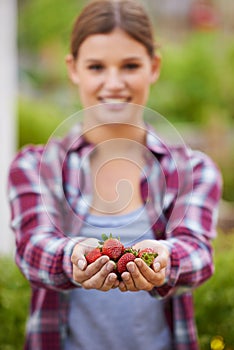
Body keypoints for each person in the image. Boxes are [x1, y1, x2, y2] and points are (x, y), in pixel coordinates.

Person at [8, 0, 222, 349]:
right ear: (73, 69)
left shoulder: (194, 170)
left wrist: (166, 260)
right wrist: (73, 256)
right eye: (96, 67)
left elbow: (198, 253)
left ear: (153, 67)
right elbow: (32, 249)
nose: (113, 82)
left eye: (130, 65)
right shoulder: (34, 167)